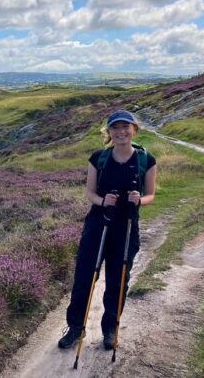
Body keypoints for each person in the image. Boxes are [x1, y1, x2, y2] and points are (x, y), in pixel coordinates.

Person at [58, 109, 157, 351]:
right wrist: (103, 201)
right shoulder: (98, 158)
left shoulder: (146, 159)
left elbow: (151, 194)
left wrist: (139, 199)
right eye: (115, 128)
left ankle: (110, 328)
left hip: (126, 227)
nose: (121, 132)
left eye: (125, 127)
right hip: (97, 224)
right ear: (109, 132)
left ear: (134, 129)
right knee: (84, 277)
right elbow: (90, 193)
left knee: (118, 280)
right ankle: (75, 328)